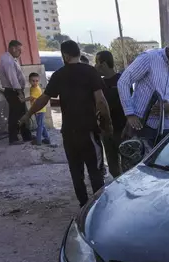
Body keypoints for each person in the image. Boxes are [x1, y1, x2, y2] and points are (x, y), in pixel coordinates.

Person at [20, 40, 113, 208]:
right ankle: (99, 208)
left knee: (76, 173)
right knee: (96, 171)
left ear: (65, 55)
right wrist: (108, 123)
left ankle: (83, 206)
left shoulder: (59, 75)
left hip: (69, 133)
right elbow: (100, 101)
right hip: (89, 132)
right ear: (77, 53)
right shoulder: (90, 71)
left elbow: (43, 99)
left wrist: (28, 114)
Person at [118, 39, 169, 146]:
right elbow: (123, 82)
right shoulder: (149, 58)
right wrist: (129, 113)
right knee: (137, 160)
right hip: (141, 124)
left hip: (165, 128)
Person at [94, 50, 127, 178]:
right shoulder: (97, 83)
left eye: (97, 62)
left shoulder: (122, 81)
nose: (95, 66)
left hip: (121, 129)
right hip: (105, 129)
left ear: (103, 64)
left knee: (126, 163)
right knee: (112, 164)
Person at [0, 40, 33, 145]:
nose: (20, 53)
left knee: (22, 112)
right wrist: (20, 93)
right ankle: (13, 139)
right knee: (15, 115)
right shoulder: (8, 61)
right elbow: (13, 79)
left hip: (15, 90)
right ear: (13, 48)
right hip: (13, 91)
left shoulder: (11, 58)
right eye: (19, 50)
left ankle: (26, 135)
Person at [27, 72, 51, 146]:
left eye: (36, 81)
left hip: (39, 110)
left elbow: (31, 97)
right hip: (37, 109)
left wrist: (22, 100)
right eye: (33, 81)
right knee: (41, 125)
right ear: (29, 81)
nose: (35, 82)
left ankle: (38, 141)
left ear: (39, 80)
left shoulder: (36, 89)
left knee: (40, 126)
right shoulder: (33, 87)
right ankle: (47, 139)